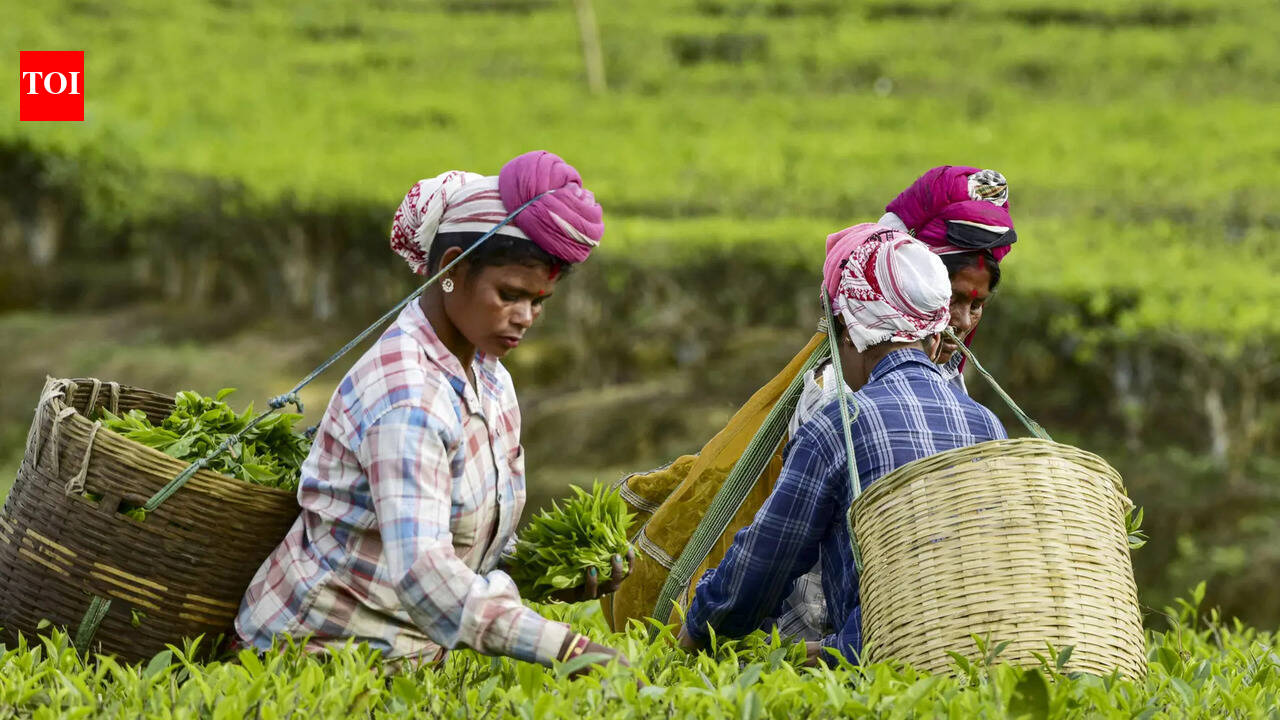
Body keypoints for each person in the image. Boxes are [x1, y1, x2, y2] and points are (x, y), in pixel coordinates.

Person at [236, 151, 629, 671]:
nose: (525, 317)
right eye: (509, 294)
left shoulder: (491, 378)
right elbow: (425, 577)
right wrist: (568, 649)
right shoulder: (406, 400)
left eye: (539, 301)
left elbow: (471, 548)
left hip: (409, 660)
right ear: (450, 271)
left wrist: (550, 572)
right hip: (312, 659)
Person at [603, 165, 1017, 635]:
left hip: (870, 647)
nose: (960, 322)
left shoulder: (859, 416)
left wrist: (703, 635)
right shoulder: (976, 421)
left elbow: (766, 564)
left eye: (976, 306)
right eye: (952, 301)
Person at [676, 225, 1008, 663]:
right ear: (933, 330)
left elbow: (766, 562)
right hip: (981, 655)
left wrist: (700, 628)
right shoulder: (987, 424)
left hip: (884, 660)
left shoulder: (840, 423)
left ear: (849, 333)